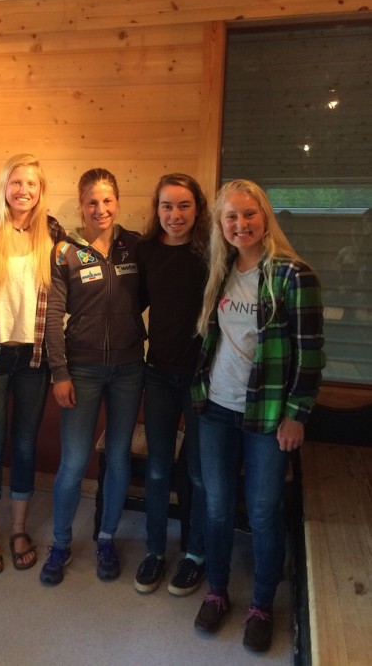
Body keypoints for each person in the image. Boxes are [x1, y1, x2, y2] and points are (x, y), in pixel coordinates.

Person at [191, 179, 324, 652]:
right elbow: (214, 341)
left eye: (249, 214)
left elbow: (310, 356)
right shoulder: (220, 270)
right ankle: (218, 590)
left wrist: (297, 414)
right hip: (216, 409)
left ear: (265, 217)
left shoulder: (292, 275)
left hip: (268, 415)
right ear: (220, 224)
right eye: (231, 216)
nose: (240, 224)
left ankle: (262, 603)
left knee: (265, 511)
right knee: (217, 505)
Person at [40, 167, 146, 586]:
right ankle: (61, 544)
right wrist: (59, 372)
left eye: (107, 201)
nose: (99, 209)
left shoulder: (136, 246)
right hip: (80, 370)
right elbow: (52, 316)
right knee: (73, 461)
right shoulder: (64, 251)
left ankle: (105, 537)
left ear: (116, 202)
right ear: (81, 205)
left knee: (118, 458)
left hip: (129, 369)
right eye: (91, 202)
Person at [0, 153, 65, 574]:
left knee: (24, 444)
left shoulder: (53, 232)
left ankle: (19, 528)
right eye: (16, 182)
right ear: (4, 187)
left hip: (34, 355)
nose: (24, 190)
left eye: (31, 183)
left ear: (41, 190)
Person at [133, 174, 209, 596]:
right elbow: (129, 304)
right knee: (159, 468)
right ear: (156, 209)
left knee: (196, 473)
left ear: (197, 209)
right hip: (158, 373)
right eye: (166, 206)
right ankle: (156, 551)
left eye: (183, 206)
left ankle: (194, 554)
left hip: (203, 378)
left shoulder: (212, 252)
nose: (174, 214)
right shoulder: (145, 251)